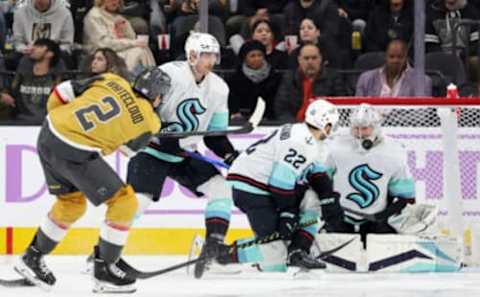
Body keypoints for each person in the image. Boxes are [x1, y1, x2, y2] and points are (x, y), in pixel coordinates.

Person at [14, 67, 167, 293]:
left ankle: (32, 257)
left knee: (71, 204)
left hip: (49, 133)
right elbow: (127, 150)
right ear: (158, 97)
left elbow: (61, 92)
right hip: (76, 152)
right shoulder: (151, 122)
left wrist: (64, 125)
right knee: (125, 203)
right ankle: (104, 269)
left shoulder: (111, 79)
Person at [125, 32, 238, 279]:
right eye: (205, 54)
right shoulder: (169, 74)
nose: (210, 60)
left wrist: (230, 155)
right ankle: (103, 254)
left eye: (213, 55)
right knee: (137, 202)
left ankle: (214, 246)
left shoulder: (219, 88)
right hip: (152, 150)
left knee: (221, 189)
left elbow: (214, 135)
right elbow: (140, 109)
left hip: (185, 153)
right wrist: (160, 133)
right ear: (192, 54)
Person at [217, 99, 339, 273]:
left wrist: (328, 198)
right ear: (326, 125)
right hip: (251, 188)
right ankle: (219, 255)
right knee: (275, 257)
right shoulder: (302, 142)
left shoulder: (305, 135)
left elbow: (316, 171)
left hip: (260, 185)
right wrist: (287, 213)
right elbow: (280, 182)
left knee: (312, 200)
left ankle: (298, 250)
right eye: (332, 124)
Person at [320, 103, 416, 245]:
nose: (359, 133)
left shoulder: (393, 152)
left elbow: (406, 197)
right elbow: (320, 183)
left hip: (375, 221)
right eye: (356, 128)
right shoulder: (335, 148)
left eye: (364, 128)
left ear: (376, 128)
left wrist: (384, 215)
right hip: (341, 217)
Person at [0, 38, 64, 124]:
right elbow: (12, 89)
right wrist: (3, 95)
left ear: (49, 54)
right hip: (19, 121)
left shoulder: (56, 78)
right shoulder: (24, 65)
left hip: (48, 122)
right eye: (34, 45)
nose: (32, 48)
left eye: (39, 46)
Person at [355, 39, 432, 97]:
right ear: (385, 57)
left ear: (406, 58)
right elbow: (358, 110)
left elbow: (422, 113)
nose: (395, 60)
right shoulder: (365, 79)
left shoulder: (422, 81)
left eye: (400, 57)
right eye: (391, 57)